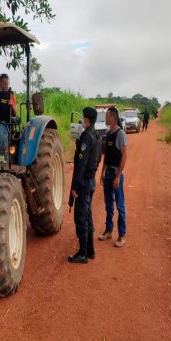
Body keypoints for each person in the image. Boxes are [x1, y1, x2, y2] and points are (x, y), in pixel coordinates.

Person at [68, 107, 101, 263]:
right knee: (87, 216)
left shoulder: (86, 137)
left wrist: (75, 187)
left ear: (87, 120)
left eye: (83, 118)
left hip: (84, 183)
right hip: (91, 180)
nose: (82, 120)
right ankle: (90, 250)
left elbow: (80, 165)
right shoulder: (97, 135)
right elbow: (98, 159)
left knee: (81, 218)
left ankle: (82, 253)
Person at [99, 106, 128, 247]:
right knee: (108, 204)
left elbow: (124, 156)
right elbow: (107, 156)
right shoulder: (108, 133)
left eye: (107, 115)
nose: (105, 117)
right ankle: (109, 230)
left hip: (116, 175)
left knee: (120, 205)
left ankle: (122, 235)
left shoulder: (120, 134)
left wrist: (117, 177)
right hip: (108, 174)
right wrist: (102, 172)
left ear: (113, 118)